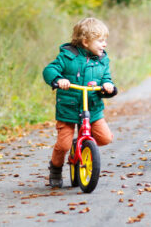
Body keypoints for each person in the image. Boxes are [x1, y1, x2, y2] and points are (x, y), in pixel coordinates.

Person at [43, 17, 115, 188]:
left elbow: (106, 77)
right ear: (85, 41)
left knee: (105, 138)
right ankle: (55, 169)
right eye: (100, 40)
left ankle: (84, 146)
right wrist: (58, 79)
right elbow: (49, 69)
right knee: (63, 145)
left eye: (105, 40)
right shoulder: (68, 57)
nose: (104, 44)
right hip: (68, 109)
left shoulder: (102, 59)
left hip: (92, 108)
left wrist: (108, 85)